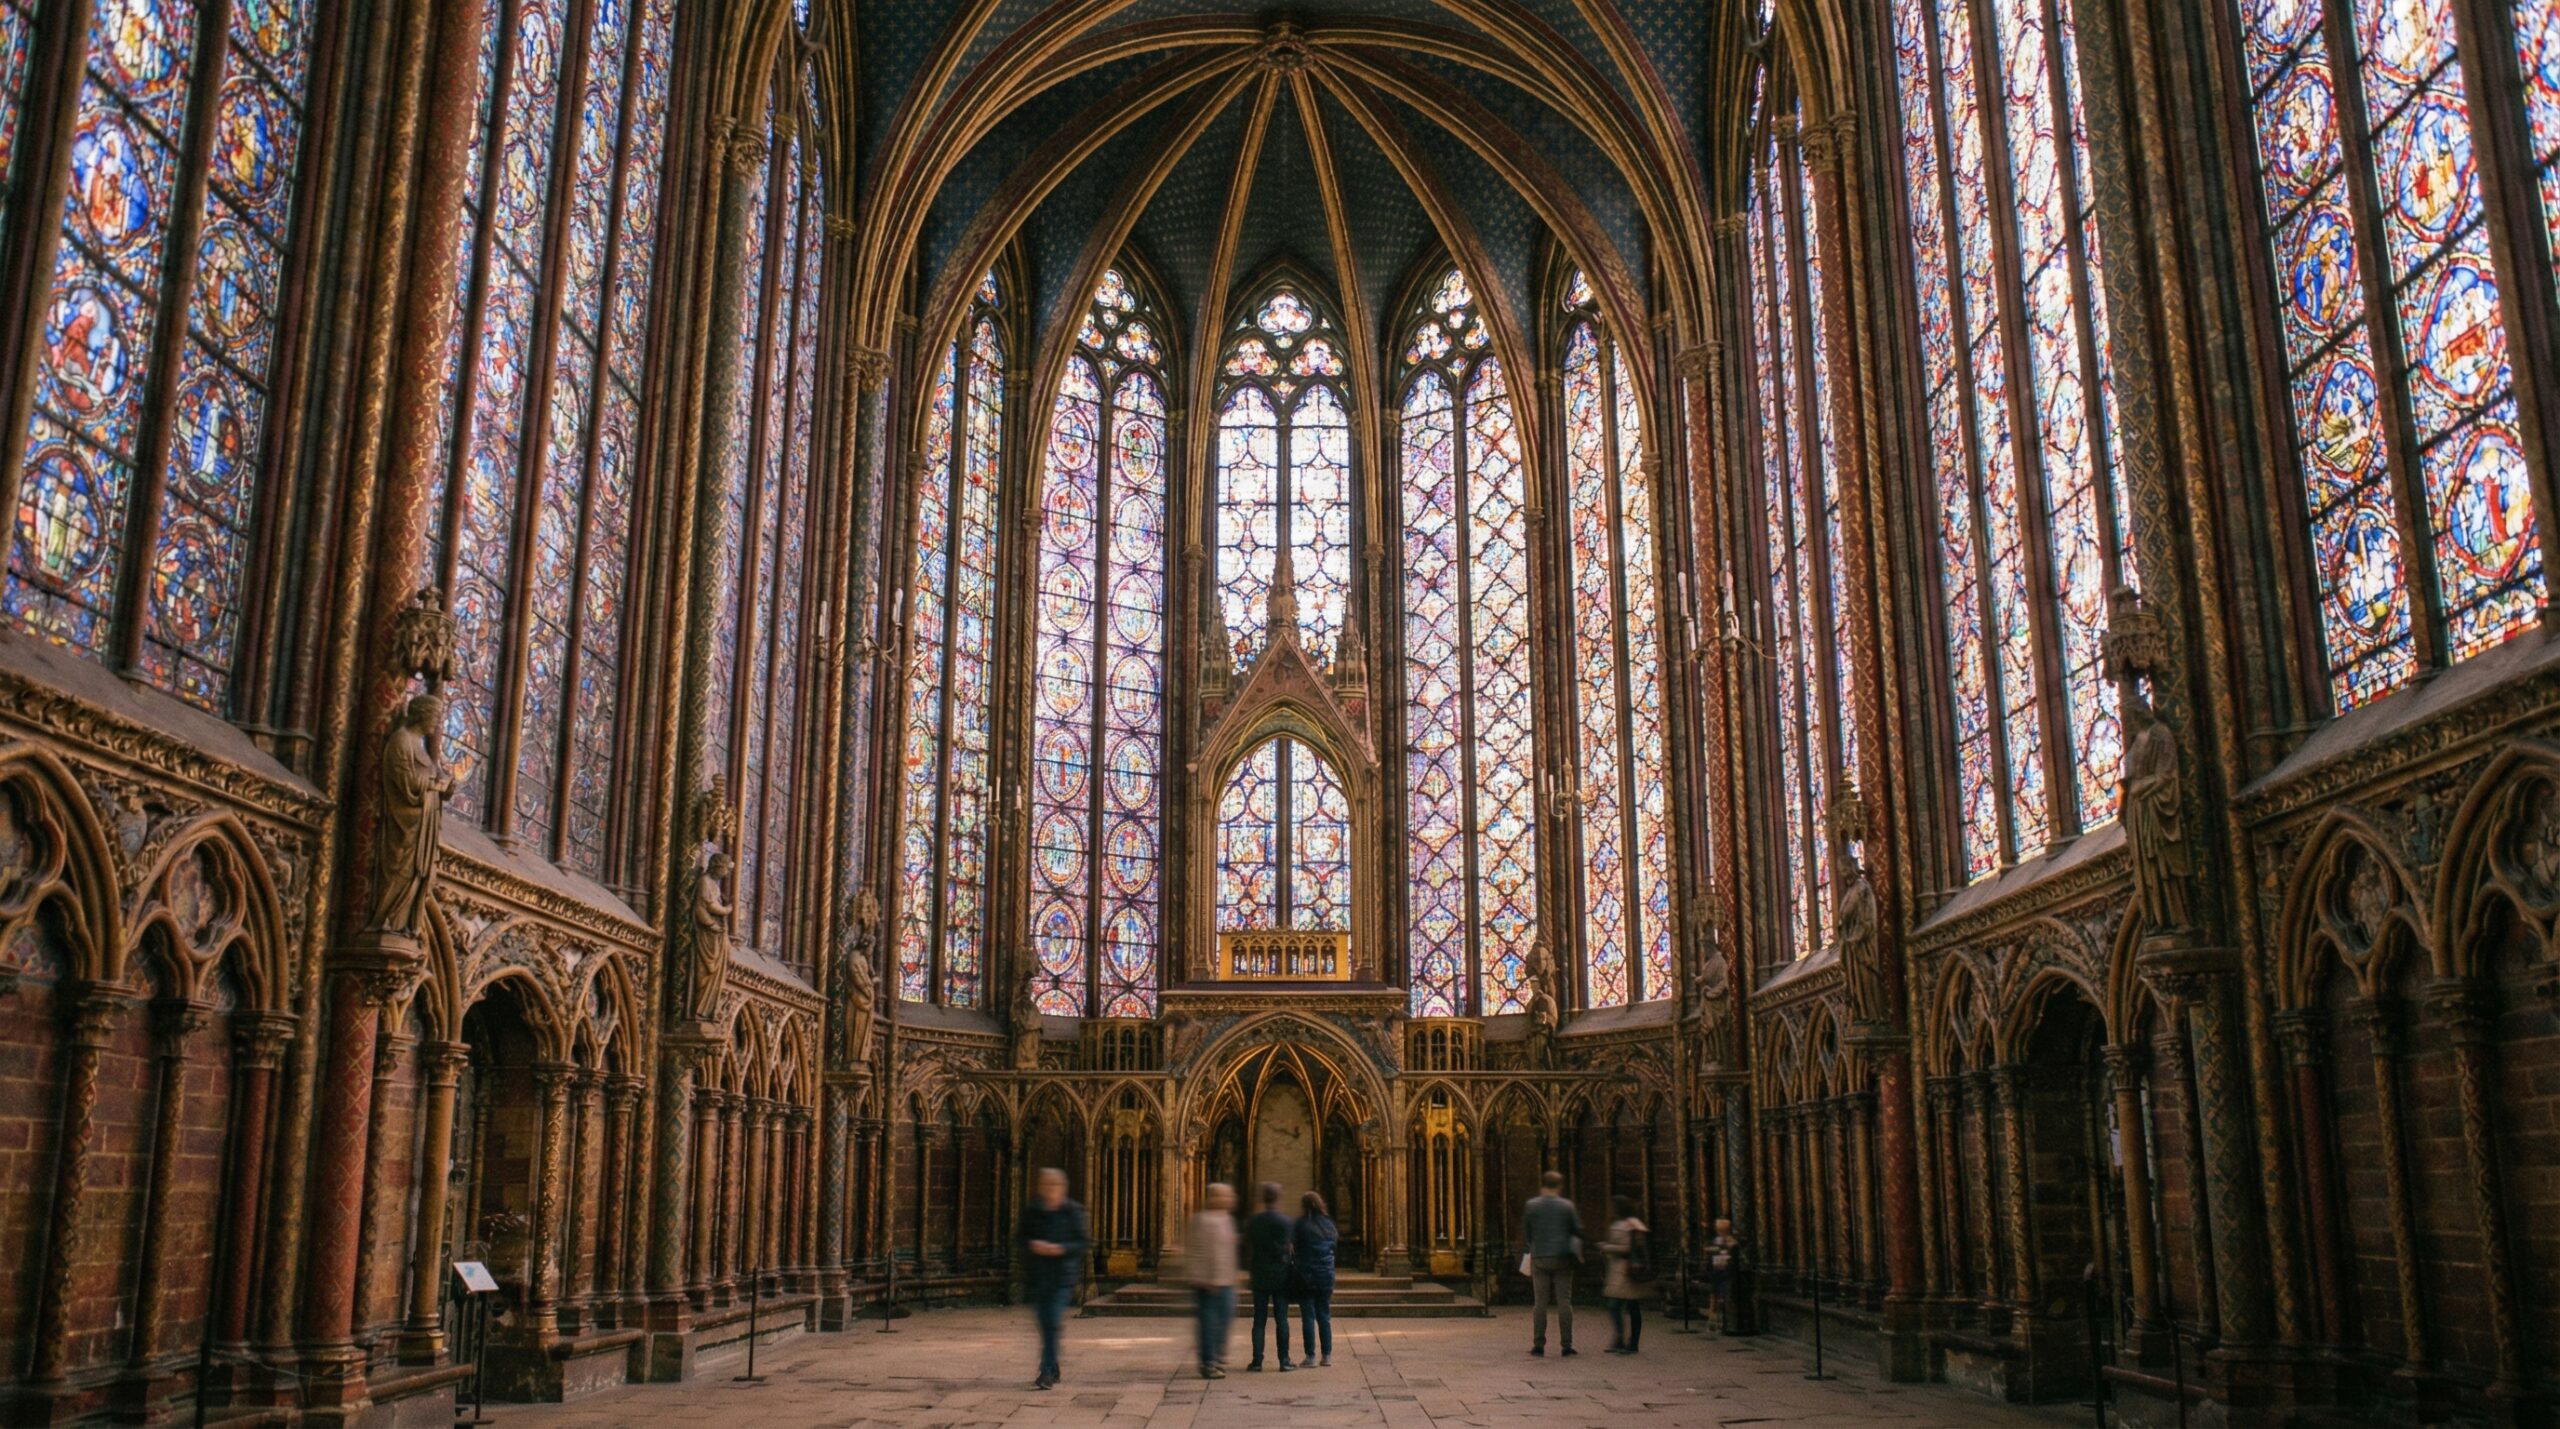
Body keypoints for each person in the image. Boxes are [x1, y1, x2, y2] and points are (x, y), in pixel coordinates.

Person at [1016, 1167, 1088, 1390]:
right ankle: (1053, 1366)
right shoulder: (1033, 1211)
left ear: (1063, 1187)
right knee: (1046, 1324)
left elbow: (1082, 1243)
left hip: (1061, 1278)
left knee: (1052, 1322)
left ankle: (1046, 1372)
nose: (1050, 1189)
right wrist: (1032, 1245)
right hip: (1038, 1277)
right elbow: (1020, 1238)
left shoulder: (1073, 1211)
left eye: (1054, 1184)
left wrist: (1060, 1249)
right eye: (1046, 1184)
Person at [1523, 1170, 1584, 1356]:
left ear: (1543, 1184)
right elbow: (1577, 1229)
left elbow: (1527, 1232)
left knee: (1540, 1303)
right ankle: (1566, 1344)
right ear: (1559, 1186)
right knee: (1564, 1302)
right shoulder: (1567, 1206)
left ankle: (1538, 1344)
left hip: (1540, 1257)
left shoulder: (1532, 1205)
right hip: (1563, 1257)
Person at [1183, 1183, 1239, 1379]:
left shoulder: (1226, 1220)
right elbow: (1197, 1251)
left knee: (1224, 1321)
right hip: (1208, 1282)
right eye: (1226, 1196)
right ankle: (1208, 1362)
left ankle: (1217, 1356)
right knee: (1209, 1323)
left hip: (1225, 1281)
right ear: (1215, 1198)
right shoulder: (1202, 1220)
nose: (1230, 1199)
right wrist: (1204, 1278)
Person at [1243, 1181, 1296, 1371]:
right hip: (1281, 1275)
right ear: (1278, 1198)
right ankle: (1284, 1360)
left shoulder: (1254, 1221)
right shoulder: (1286, 1221)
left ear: (1263, 1198)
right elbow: (1289, 1247)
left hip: (1259, 1274)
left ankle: (1257, 1361)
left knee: (1259, 1320)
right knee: (1282, 1319)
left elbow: (1249, 1245)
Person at [1293, 1191, 1340, 1366]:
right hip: (1326, 1274)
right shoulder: (1329, 1224)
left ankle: (1310, 1356)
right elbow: (1334, 1247)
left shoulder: (1300, 1224)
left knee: (1308, 1316)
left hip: (1306, 1275)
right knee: (1324, 1315)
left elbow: (1294, 1247)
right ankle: (1327, 1355)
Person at [1601, 1194, 1651, 1354]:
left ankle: (1625, 1340)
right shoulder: (1631, 1224)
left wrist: (1606, 1247)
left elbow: (1626, 1247)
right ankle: (1627, 1341)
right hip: (1627, 1268)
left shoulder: (1624, 1225)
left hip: (1625, 1269)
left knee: (1617, 1305)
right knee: (1630, 1306)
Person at [1707, 1217, 1742, 1331]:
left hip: (1726, 1273)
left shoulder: (1732, 1243)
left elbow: (1733, 1258)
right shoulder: (1716, 1241)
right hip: (1717, 1271)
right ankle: (1713, 1322)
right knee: (1714, 1296)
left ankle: (1724, 1322)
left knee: (1723, 1296)